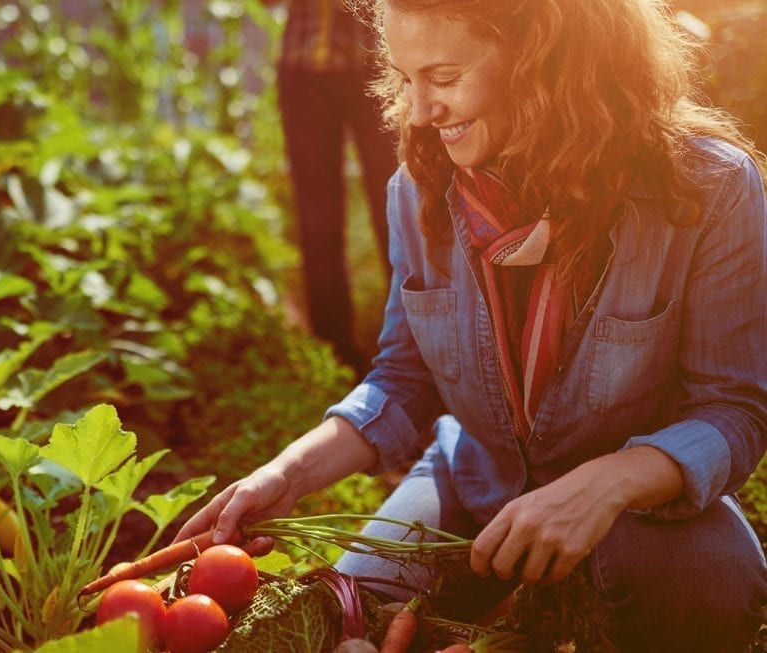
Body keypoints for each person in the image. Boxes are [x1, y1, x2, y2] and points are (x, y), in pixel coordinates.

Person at [176, 0, 767, 649]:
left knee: (707, 593)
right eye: (407, 79)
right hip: (475, 475)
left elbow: (733, 409)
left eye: (445, 77)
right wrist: (287, 473)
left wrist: (609, 482)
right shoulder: (419, 188)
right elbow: (403, 378)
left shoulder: (710, 189)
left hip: (640, 499)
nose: (422, 111)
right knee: (345, 613)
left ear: (545, 61)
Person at [269, 0, 399, 374]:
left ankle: (414, 344)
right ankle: (335, 353)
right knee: (317, 220)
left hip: (379, 64)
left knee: (396, 207)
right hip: (304, 70)